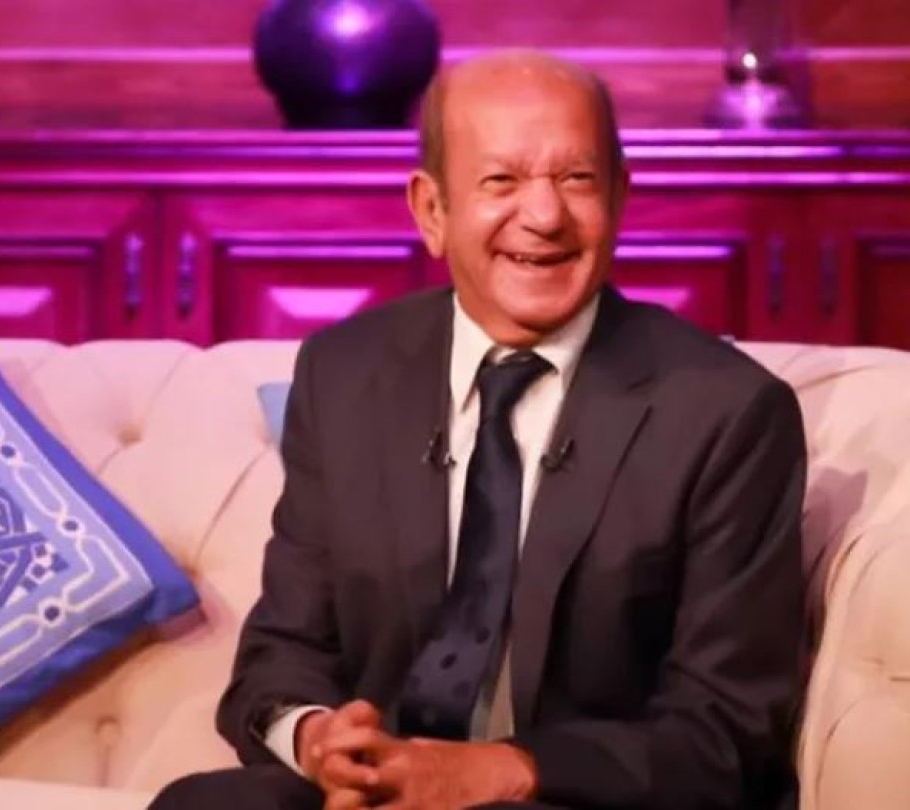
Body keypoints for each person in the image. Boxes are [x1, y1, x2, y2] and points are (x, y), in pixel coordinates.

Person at [150, 48, 807, 810]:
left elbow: (724, 734)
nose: (545, 216)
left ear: (619, 198)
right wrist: (321, 739)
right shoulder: (346, 374)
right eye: (501, 181)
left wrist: (489, 772)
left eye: (576, 178)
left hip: (579, 798)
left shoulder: (726, 412)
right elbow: (281, 655)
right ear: (430, 210)